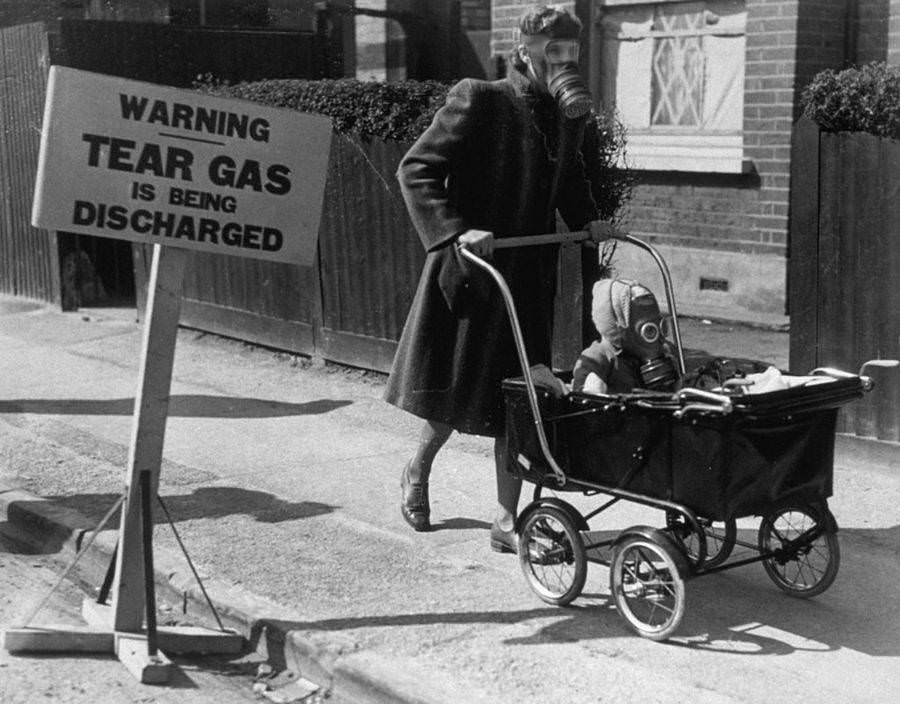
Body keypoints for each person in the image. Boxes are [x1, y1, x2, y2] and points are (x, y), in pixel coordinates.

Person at [384, 5, 605, 552]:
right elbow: (416, 168)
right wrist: (455, 230)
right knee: (455, 397)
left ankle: (506, 520)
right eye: (553, 51)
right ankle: (417, 468)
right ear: (525, 48)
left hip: (529, 272)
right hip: (474, 270)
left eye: (571, 53)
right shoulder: (479, 98)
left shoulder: (567, 113)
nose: (563, 63)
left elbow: (570, 178)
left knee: (520, 394)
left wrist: (589, 219)